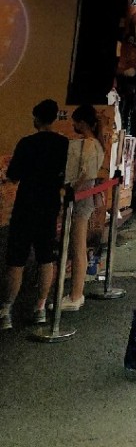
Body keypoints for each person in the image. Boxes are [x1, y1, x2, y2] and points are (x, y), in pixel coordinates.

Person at [0, 99, 69, 330]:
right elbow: (66, 176)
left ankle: (6, 309)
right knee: (45, 257)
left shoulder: (26, 144)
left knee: (16, 259)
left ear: (37, 119)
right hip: (49, 205)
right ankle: (40, 307)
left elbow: (14, 175)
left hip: (25, 204)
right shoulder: (64, 144)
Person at [62, 104, 106, 310]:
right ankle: (75, 293)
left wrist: (71, 191)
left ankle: (75, 295)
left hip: (80, 197)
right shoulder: (98, 143)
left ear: (82, 123)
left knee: (78, 246)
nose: (73, 125)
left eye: (75, 121)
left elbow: (83, 172)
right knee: (79, 245)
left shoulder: (87, 144)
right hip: (88, 195)